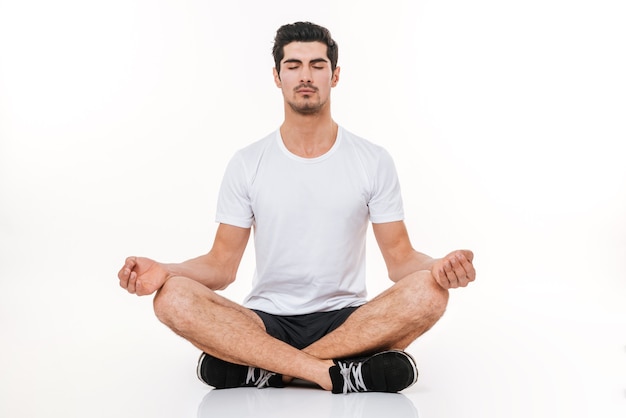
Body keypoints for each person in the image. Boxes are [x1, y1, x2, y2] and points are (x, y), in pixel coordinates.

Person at [117, 21, 476, 395]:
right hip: (265, 320)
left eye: (318, 65)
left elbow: (400, 260)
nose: (306, 75)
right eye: (293, 66)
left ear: (335, 76)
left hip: (348, 321)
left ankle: (268, 368)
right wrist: (165, 271)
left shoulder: (372, 160)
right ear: (277, 76)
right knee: (172, 297)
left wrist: (439, 268)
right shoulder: (248, 162)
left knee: (431, 292)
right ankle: (334, 373)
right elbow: (221, 267)